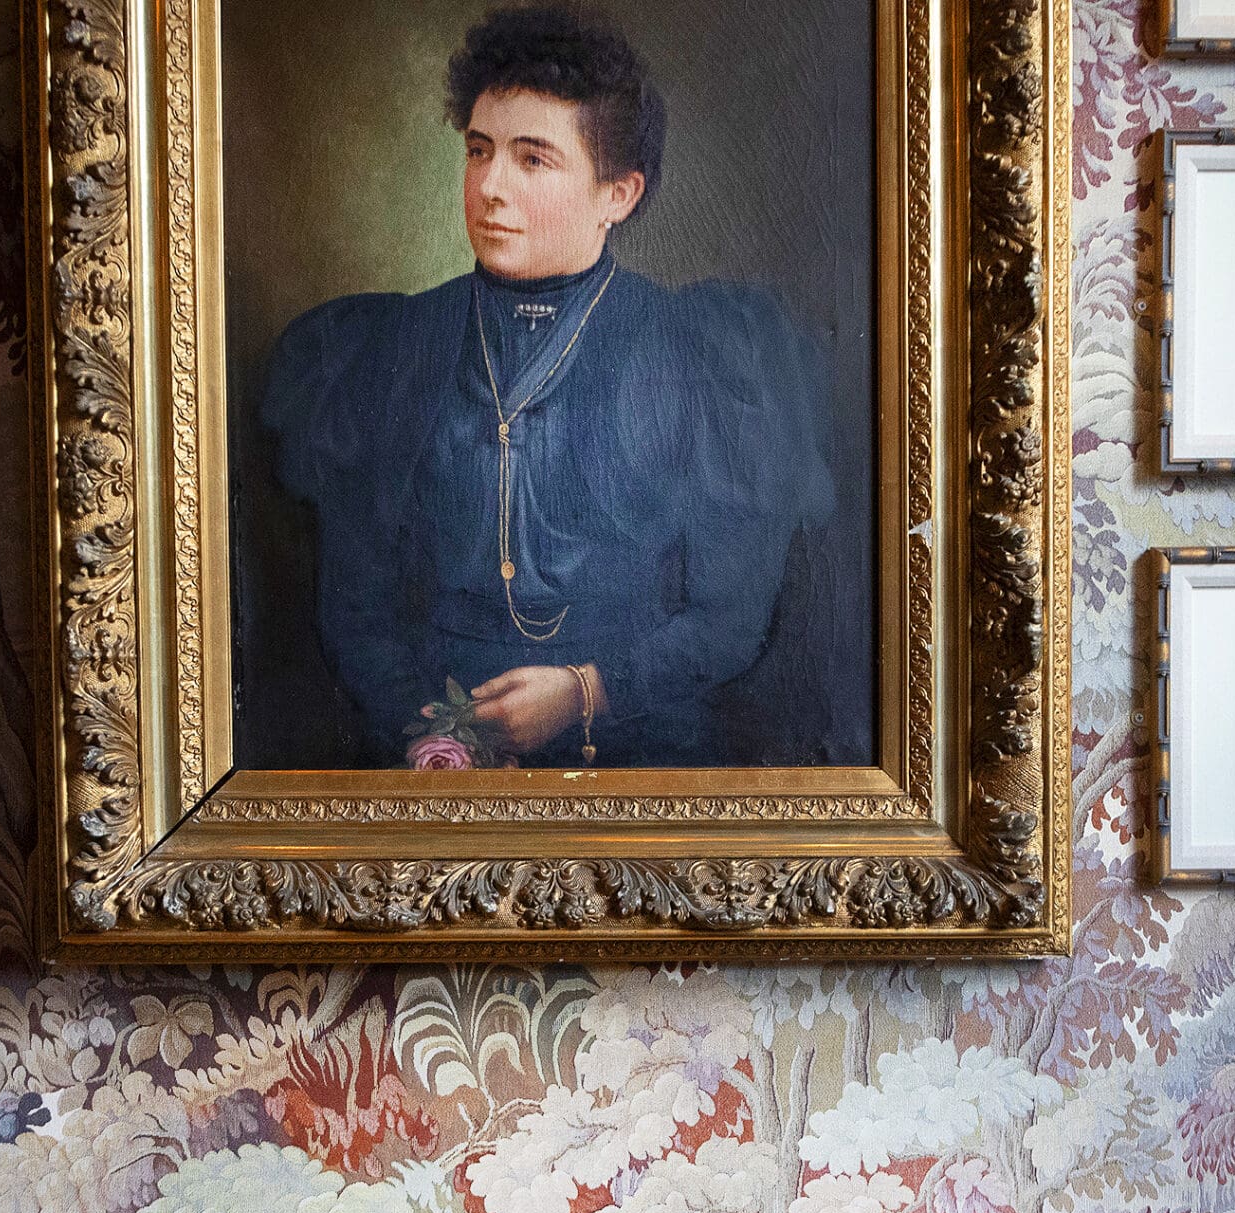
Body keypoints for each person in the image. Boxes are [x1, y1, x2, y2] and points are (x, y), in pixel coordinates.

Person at [261, 4, 836, 767]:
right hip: (428, 760)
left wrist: (587, 690)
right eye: (478, 150)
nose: (490, 187)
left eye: (532, 159)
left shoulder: (702, 354)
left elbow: (729, 619)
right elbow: (356, 608)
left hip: (642, 752)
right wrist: (437, 735)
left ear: (617, 196)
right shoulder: (386, 349)